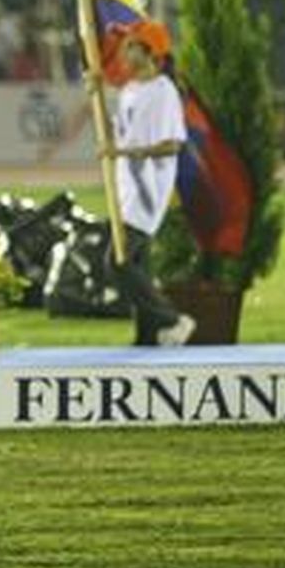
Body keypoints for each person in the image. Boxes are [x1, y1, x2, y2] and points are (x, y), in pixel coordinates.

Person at [103, 21, 196, 348]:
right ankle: (147, 337)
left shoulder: (163, 91)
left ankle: (172, 319)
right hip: (127, 186)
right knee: (137, 265)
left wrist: (129, 152)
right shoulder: (130, 90)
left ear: (149, 51)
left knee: (117, 263)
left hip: (146, 190)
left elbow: (173, 144)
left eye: (130, 45)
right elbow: (121, 135)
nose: (123, 52)